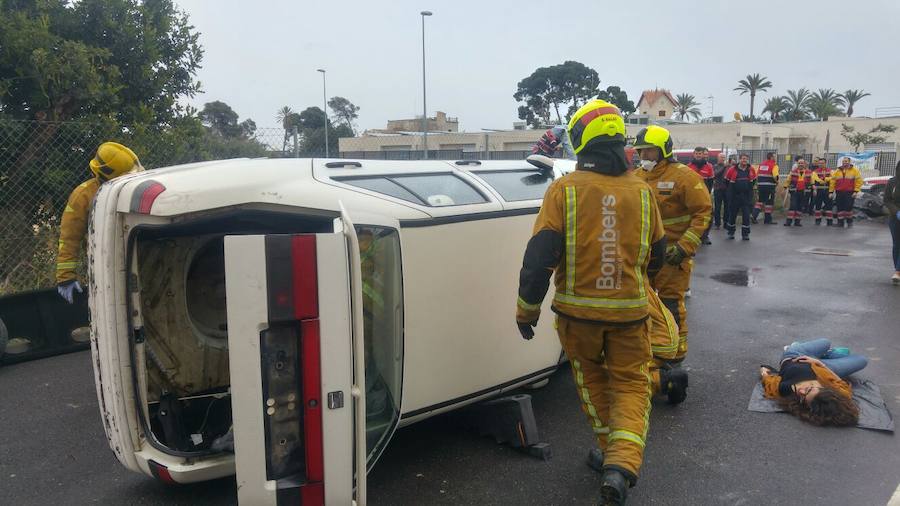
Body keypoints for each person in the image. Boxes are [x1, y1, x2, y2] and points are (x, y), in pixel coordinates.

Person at [516, 99, 666, 504]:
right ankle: (621, 462)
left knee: (593, 381)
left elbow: (537, 261)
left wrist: (526, 311)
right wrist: (638, 287)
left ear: (580, 140)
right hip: (631, 317)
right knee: (634, 385)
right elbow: (659, 252)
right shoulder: (643, 191)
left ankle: (610, 454)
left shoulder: (563, 190)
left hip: (577, 316)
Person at [634, 125, 711, 365]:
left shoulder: (685, 177)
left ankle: (675, 354)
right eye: (640, 152)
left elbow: (703, 213)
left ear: (663, 151)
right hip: (643, 257)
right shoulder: (636, 178)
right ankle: (650, 350)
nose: (643, 156)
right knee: (641, 305)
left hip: (672, 257)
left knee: (670, 304)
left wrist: (684, 248)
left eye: (648, 151)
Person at [56, 142, 141, 303]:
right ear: (107, 174)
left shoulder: (138, 187)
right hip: (104, 264)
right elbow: (69, 238)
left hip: (138, 256)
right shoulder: (83, 196)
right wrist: (65, 277)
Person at [759, 338, 867, 426]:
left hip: (794, 355)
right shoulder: (830, 389)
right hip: (820, 365)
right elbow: (843, 386)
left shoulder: (786, 389)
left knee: (855, 358)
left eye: (803, 397)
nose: (801, 391)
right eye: (808, 389)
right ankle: (828, 355)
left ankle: (823, 354)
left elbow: (770, 383)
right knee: (827, 343)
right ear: (825, 389)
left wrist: (764, 372)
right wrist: (820, 364)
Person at [724, 154, 757, 240]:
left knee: (746, 216)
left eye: (746, 159)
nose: (744, 160)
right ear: (739, 160)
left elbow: (753, 181)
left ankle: (745, 234)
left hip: (746, 196)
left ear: (748, 160)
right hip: (735, 196)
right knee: (732, 215)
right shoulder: (732, 169)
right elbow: (726, 181)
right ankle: (731, 232)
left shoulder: (751, 169)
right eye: (743, 159)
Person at [687, 147, 714, 245]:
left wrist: (707, 194)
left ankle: (705, 236)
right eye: (697, 153)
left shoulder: (709, 167)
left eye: (700, 153)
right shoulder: (688, 167)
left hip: (705, 195)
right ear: (694, 154)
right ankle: (691, 236)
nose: (698, 155)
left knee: (708, 216)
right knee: (691, 216)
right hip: (692, 196)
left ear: (703, 155)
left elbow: (710, 182)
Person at [783, 158, 819, 227]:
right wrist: (785, 187)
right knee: (793, 206)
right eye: (799, 163)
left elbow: (812, 181)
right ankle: (788, 222)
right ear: (797, 164)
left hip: (804, 192)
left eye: (802, 163)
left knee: (800, 207)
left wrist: (814, 189)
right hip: (794, 191)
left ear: (804, 164)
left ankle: (797, 222)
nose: (800, 164)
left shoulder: (809, 172)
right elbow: (788, 180)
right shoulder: (793, 171)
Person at [829, 157, 863, 227]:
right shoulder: (837, 171)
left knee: (848, 207)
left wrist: (856, 191)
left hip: (850, 192)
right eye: (844, 161)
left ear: (849, 162)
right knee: (840, 208)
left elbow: (858, 182)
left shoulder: (855, 171)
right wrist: (831, 192)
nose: (845, 162)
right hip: (839, 192)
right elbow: (832, 182)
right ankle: (840, 222)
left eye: (846, 161)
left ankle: (849, 222)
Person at [752, 152, 779, 224]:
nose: (775, 158)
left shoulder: (761, 164)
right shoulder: (774, 165)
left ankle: (754, 215)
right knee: (769, 202)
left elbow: (757, 175)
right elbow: (775, 176)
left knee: (760, 201)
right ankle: (767, 220)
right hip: (769, 186)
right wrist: (777, 182)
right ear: (771, 157)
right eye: (774, 156)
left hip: (760, 186)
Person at [884, 167, 900, 284]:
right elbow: (887, 200)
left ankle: (898, 271)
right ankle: (897, 269)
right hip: (895, 217)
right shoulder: (892, 182)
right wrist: (896, 212)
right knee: (896, 245)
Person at [811, 157, 834, 226]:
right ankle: (817, 220)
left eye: (822, 163)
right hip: (818, 191)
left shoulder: (830, 171)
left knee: (829, 207)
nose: (821, 164)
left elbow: (833, 178)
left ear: (825, 163)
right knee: (818, 206)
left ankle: (829, 221)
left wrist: (825, 179)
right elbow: (813, 180)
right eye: (820, 163)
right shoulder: (815, 171)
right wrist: (815, 189)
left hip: (827, 191)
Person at [712, 153, 730, 229]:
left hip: (726, 189)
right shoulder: (715, 166)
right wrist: (724, 168)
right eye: (721, 157)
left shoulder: (728, 167)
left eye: (724, 157)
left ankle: (726, 223)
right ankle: (717, 223)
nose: (723, 159)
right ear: (718, 158)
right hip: (718, 189)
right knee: (717, 207)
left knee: (727, 207)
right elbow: (715, 174)